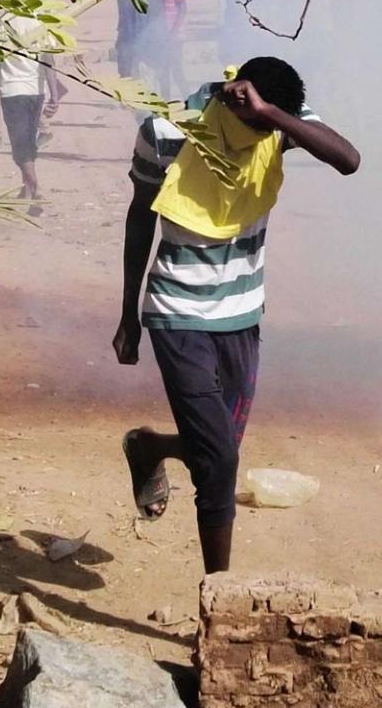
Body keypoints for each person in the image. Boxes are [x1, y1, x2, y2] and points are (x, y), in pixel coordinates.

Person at [114, 58, 361, 577]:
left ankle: (149, 447)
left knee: (218, 447)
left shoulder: (279, 122)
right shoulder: (164, 132)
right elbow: (140, 219)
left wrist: (271, 113)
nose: (271, 132)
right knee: (220, 463)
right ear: (232, 97)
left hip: (243, 313)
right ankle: (219, 595)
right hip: (176, 313)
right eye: (262, 118)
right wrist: (128, 314)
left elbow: (348, 159)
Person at [0, 13, 66, 216]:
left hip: (12, 90)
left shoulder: (1, 20)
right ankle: (26, 188)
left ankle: (35, 189)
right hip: (36, 90)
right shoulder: (39, 18)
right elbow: (48, 59)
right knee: (27, 142)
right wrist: (54, 94)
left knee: (21, 145)